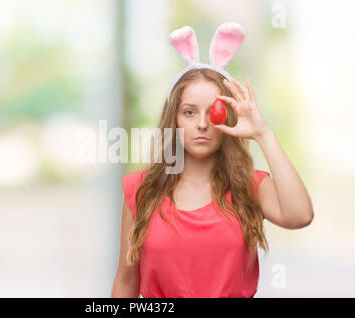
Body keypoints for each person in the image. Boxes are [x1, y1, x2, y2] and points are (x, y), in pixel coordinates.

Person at [111, 23, 314, 298]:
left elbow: (300, 215)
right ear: (174, 119)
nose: (203, 124)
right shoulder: (139, 189)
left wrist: (263, 133)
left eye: (214, 112)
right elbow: (126, 283)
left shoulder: (250, 187)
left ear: (227, 117)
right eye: (190, 112)